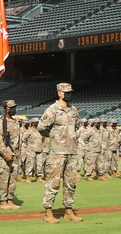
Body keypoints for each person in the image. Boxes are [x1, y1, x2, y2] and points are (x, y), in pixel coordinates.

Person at [38, 82, 83, 224]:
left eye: (70, 92)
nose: (69, 94)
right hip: (57, 152)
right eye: (66, 92)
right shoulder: (52, 110)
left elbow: (77, 127)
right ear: (59, 93)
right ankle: (48, 212)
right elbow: (41, 128)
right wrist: (55, 138)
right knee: (54, 182)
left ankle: (68, 211)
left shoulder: (74, 110)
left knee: (70, 183)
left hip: (71, 151)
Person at [0, 99, 22, 209]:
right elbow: (0, 141)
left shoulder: (15, 121)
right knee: (4, 179)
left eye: (14, 107)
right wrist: (6, 154)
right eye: (11, 107)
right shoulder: (2, 122)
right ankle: (3, 201)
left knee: (13, 179)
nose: (14, 109)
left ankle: (10, 199)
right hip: (4, 157)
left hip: (15, 155)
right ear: (6, 109)